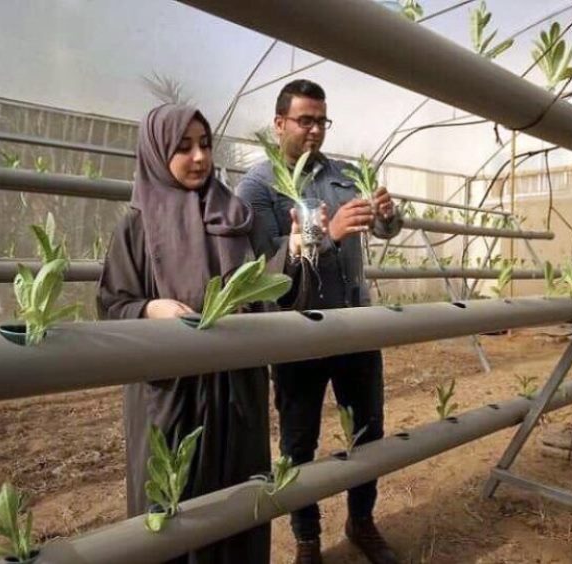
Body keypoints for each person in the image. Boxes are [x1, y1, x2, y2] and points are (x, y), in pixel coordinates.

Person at [97, 103, 315, 564]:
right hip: (173, 395)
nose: (199, 158)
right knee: (174, 507)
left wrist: (292, 255)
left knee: (238, 504)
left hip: (237, 392)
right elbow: (112, 306)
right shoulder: (136, 227)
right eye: (183, 147)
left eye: (205, 144)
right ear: (156, 153)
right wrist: (149, 308)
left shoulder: (236, 216)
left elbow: (268, 287)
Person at [238, 79, 402, 564]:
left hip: (354, 325)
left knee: (368, 431)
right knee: (298, 441)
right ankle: (307, 539)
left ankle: (361, 520)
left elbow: (383, 229)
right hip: (297, 333)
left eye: (321, 121)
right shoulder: (258, 185)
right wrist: (324, 234)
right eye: (304, 120)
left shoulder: (344, 174)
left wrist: (388, 216)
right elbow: (269, 266)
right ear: (280, 123)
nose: (314, 130)